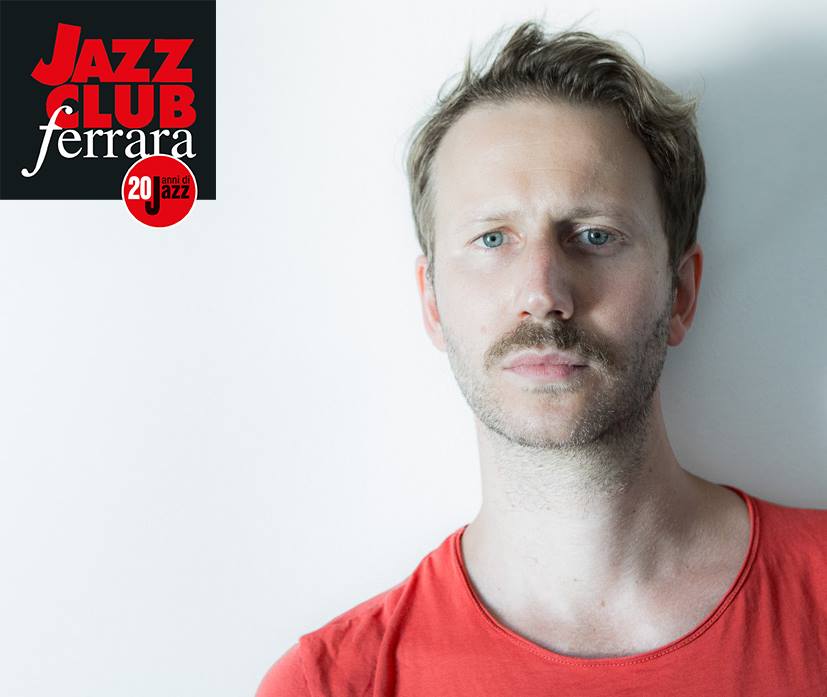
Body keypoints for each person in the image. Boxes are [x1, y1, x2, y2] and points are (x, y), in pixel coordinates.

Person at [256, 20, 827, 696]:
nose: (542, 294)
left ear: (680, 292)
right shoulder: (332, 684)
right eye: (492, 238)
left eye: (594, 235)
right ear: (432, 301)